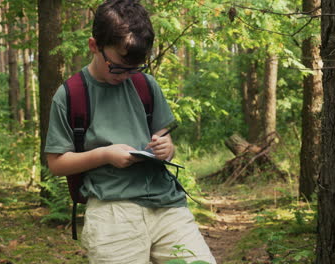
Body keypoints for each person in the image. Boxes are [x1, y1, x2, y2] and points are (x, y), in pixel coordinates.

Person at [44, 0, 216, 263]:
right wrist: (105, 155)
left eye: (135, 68)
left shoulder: (145, 85)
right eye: (118, 67)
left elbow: (164, 139)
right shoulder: (70, 95)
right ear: (94, 46)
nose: (126, 75)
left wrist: (166, 147)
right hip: (112, 211)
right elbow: (56, 163)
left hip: (167, 206)